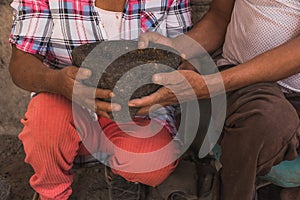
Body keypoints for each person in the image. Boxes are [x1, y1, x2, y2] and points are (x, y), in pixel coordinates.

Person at [8, 0, 192, 199]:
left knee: (153, 161)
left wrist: (175, 81)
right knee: (46, 128)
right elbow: (21, 65)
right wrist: (57, 82)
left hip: (138, 108)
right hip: (67, 100)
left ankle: (123, 173)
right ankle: (52, 191)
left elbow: (182, 56)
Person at [128, 0, 300, 199]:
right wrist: (176, 47)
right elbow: (219, 17)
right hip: (242, 83)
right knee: (269, 120)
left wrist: (211, 85)